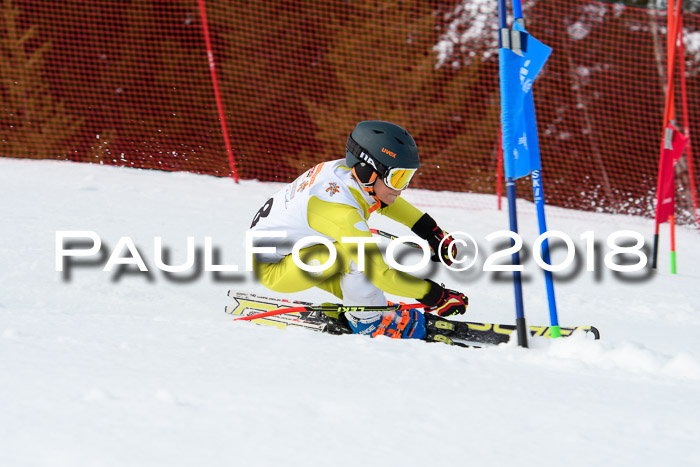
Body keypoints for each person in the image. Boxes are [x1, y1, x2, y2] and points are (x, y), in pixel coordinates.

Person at [249, 120, 469, 343]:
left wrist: (433, 233)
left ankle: (371, 308)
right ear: (367, 171)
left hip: (300, 252)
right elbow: (380, 275)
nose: (401, 189)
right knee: (361, 259)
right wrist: (436, 296)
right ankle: (368, 323)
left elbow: (385, 200)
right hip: (274, 268)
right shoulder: (341, 211)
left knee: (363, 256)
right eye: (397, 178)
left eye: (406, 177)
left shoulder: (348, 172)